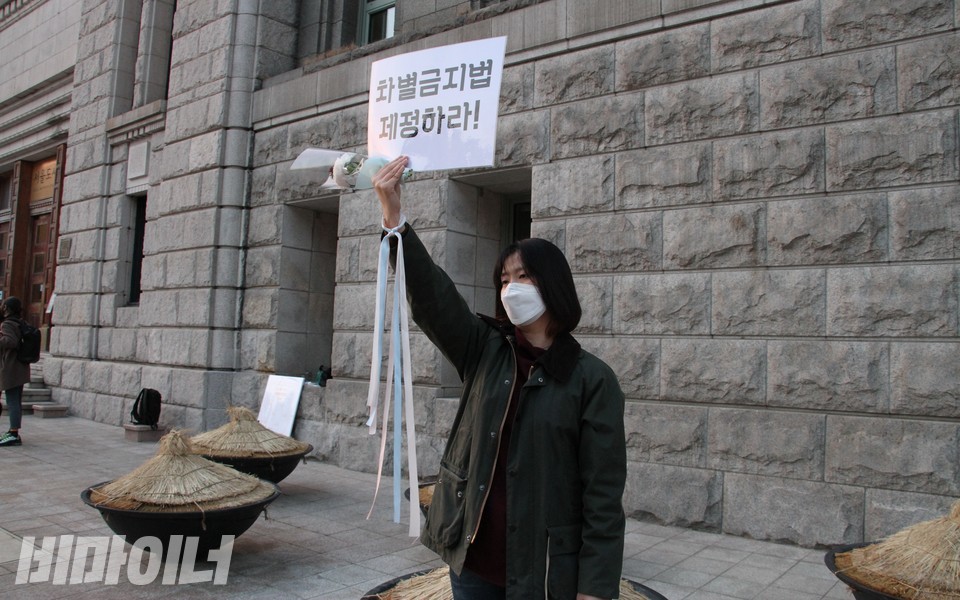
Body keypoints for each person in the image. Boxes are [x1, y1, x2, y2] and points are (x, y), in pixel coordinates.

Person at [372, 156, 627, 600]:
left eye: (523, 276)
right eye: (504, 279)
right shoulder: (484, 349)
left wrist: (595, 589)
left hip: (543, 571)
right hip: (471, 560)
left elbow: (602, 498)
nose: (511, 288)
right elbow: (434, 297)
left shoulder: (591, 380)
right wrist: (395, 218)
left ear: (553, 285)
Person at [0, 297, 32, 447]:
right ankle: (13, 432)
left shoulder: (7, 324)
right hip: (20, 367)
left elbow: (10, 341)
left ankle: (13, 434)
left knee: (12, 401)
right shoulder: (20, 322)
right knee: (15, 401)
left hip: (12, 368)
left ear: (7, 308)